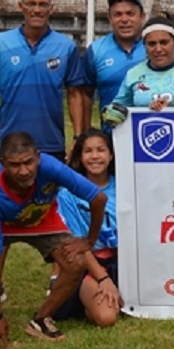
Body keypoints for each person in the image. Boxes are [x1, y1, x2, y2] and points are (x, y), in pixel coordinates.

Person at [0, 132, 120, 349]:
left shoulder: (51, 167)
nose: (23, 171)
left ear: (38, 157)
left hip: (39, 217)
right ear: (2, 163)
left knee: (76, 262)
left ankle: (42, 319)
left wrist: (88, 241)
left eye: (28, 162)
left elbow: (98, 198)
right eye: (15, 165)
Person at [0, 0, 88, 162]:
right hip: (8, 143)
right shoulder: (0, 43)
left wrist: (77, 137)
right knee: (2, 191)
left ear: (51, 9)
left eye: (43, 4)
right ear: (21, 7)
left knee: (51, 191)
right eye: (31, 4)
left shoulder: (66, 46)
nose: (37, 10)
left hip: (51, 144)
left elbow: (75, 93)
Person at [53, 129, 122, 327]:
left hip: (125, 263)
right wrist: (103, 279)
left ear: (111, 155)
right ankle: (81, 299)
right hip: (90, 264)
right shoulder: (68, 194)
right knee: (106, 317)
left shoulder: (127, 185)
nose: (94, 156)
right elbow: (78, 245)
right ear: (80, 157)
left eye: (101, 150)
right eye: (88, 151)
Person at [82, 0, 146, 131]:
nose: (124, 20)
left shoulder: (155, 46)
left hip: (150, 132)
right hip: (112, 135)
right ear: (109, 19)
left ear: (142, 17)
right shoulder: (96, 50)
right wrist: (85, 134)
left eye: (130, 14)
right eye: (117, 14)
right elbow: (85, 95)